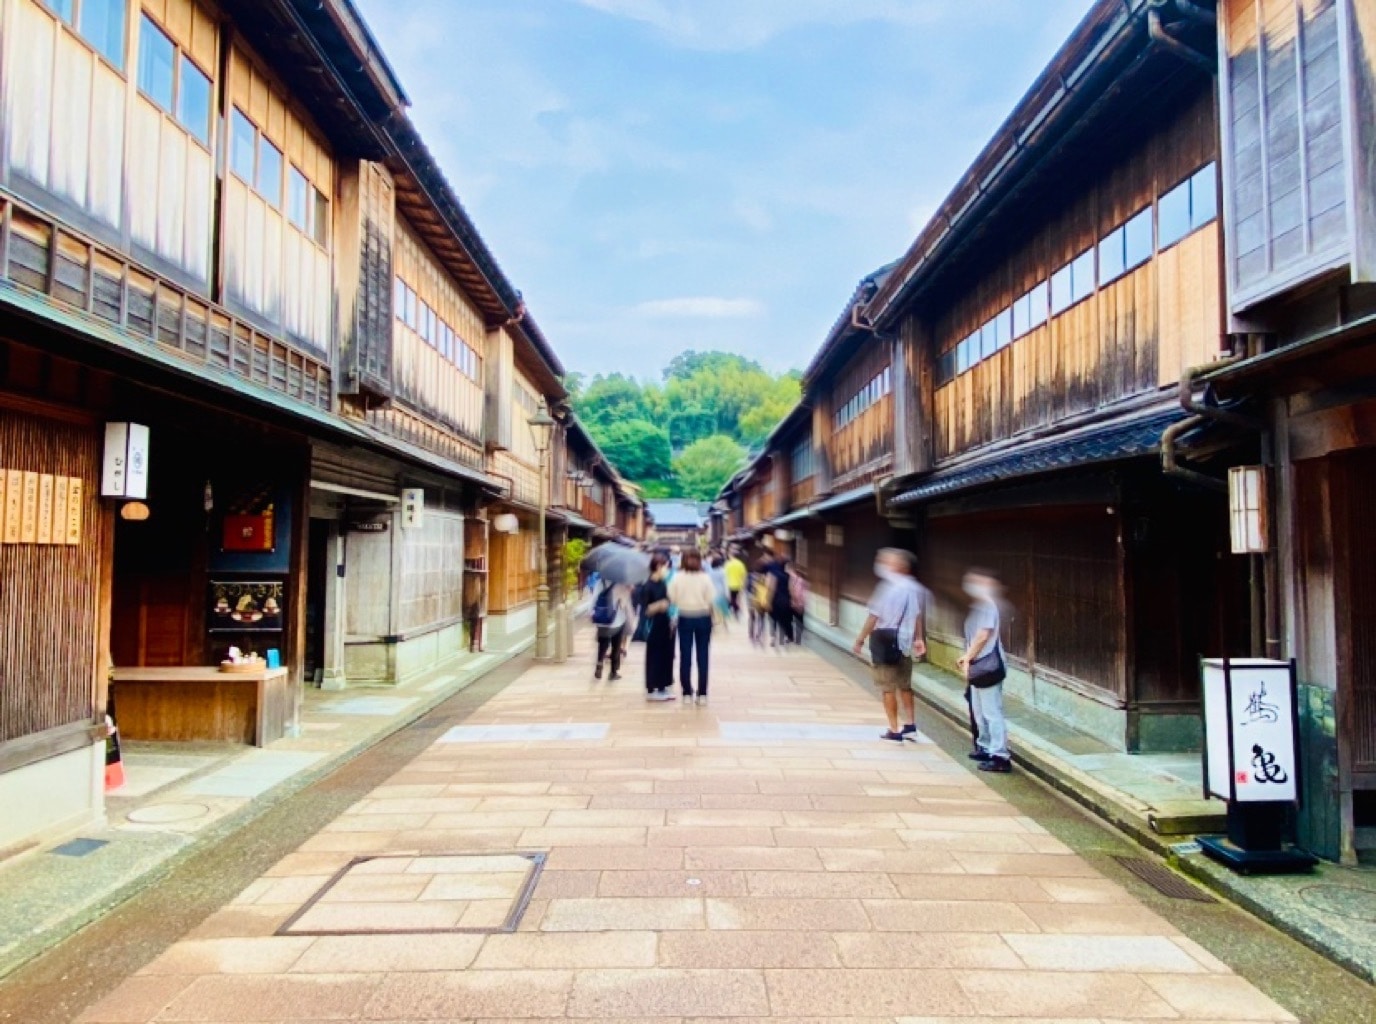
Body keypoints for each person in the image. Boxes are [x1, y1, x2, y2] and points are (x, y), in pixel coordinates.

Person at [853, 548, 926, 742]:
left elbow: (873, 617)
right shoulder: (914, 588)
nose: (882, 564)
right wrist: (919, 639)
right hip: (905, 643)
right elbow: (917, 615)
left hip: (885, 642)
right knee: (905, 686)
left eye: (886, 561)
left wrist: (860, 639)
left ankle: (894, 729)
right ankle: (910, 725)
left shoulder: (887, 587)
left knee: (887, 687)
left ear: (898, 566)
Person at [958, 568, 1011, 772]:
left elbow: (983, 636)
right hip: (977, 666)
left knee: (991, 711)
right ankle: (986, 746)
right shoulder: (978, 607)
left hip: (987, 665)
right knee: (979, 711)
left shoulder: (988, 606)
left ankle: (1000, 756)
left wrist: (967, 657)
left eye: (978, 582)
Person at [668, 549, 716, 704]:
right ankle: (702, 694)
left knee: (685, 656)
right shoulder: (705, 578)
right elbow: (711, 599)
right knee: (703, 656)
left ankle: (687, 693)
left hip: (685, 617)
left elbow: (672, 598)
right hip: (703, 617)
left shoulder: (677, 577)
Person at [639, 555, 675, 700]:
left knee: (666, 655)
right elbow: (645, 610)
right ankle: (652, 688)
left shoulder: (664, 583)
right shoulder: (647, 586)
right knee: (655, 655)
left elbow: (670, 600)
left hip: (665, 623)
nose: (667, 569)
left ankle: (663, 686)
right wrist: (659, 606)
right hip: (653, 625)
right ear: (658, 567)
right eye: (665, 566)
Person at [593, 582, 634, 681]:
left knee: (603, 644)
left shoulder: (600, 583)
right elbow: (623, 604)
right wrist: (627, 591)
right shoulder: (621, 584)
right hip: (617, 621)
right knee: (616, 646)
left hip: (602, 620)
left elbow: (594, 599)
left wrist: (592, 613)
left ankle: (599, 662)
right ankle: (613, 672)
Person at [766, 555, 794, 647]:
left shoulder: (774, 574)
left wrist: (768, 601)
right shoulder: (788, 576)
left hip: (776, 600)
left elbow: (771, 588)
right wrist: (792, 600)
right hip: (786, 599)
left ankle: (773, 638)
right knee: (786, 619)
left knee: (773, 619)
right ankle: (788, 636)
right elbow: (791, 589)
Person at [787, 563, 808, 644]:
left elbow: (799, 593)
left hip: (795, 604)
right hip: (798, 604)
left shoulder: (796, 579)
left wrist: (797, 602)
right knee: (799, 621)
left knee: (792, 621)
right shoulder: (802, 581)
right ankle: (796, 638)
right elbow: (804, 594)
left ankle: (792, 637)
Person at [724, 550, 747, 618]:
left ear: (732, 556)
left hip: (729, 584)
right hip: (739, 584)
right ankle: (736, 610)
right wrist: (743, 584)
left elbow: (724, 573)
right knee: (736, 598)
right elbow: (744, 575)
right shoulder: (741, 564)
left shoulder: (728, 563)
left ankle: (735, 609)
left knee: (732, 598)